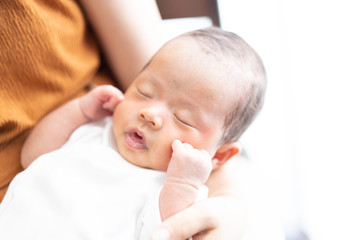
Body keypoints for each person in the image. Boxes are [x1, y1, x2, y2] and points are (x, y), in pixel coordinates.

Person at [0, 1, 262, 239]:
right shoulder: (97, 128)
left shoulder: (176, 190)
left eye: (183, 119)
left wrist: (184, 184)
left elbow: (166, 232)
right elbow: (32, 155)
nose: (150, 114)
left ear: (219, 156)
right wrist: (80, 110)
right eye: (143, 92)